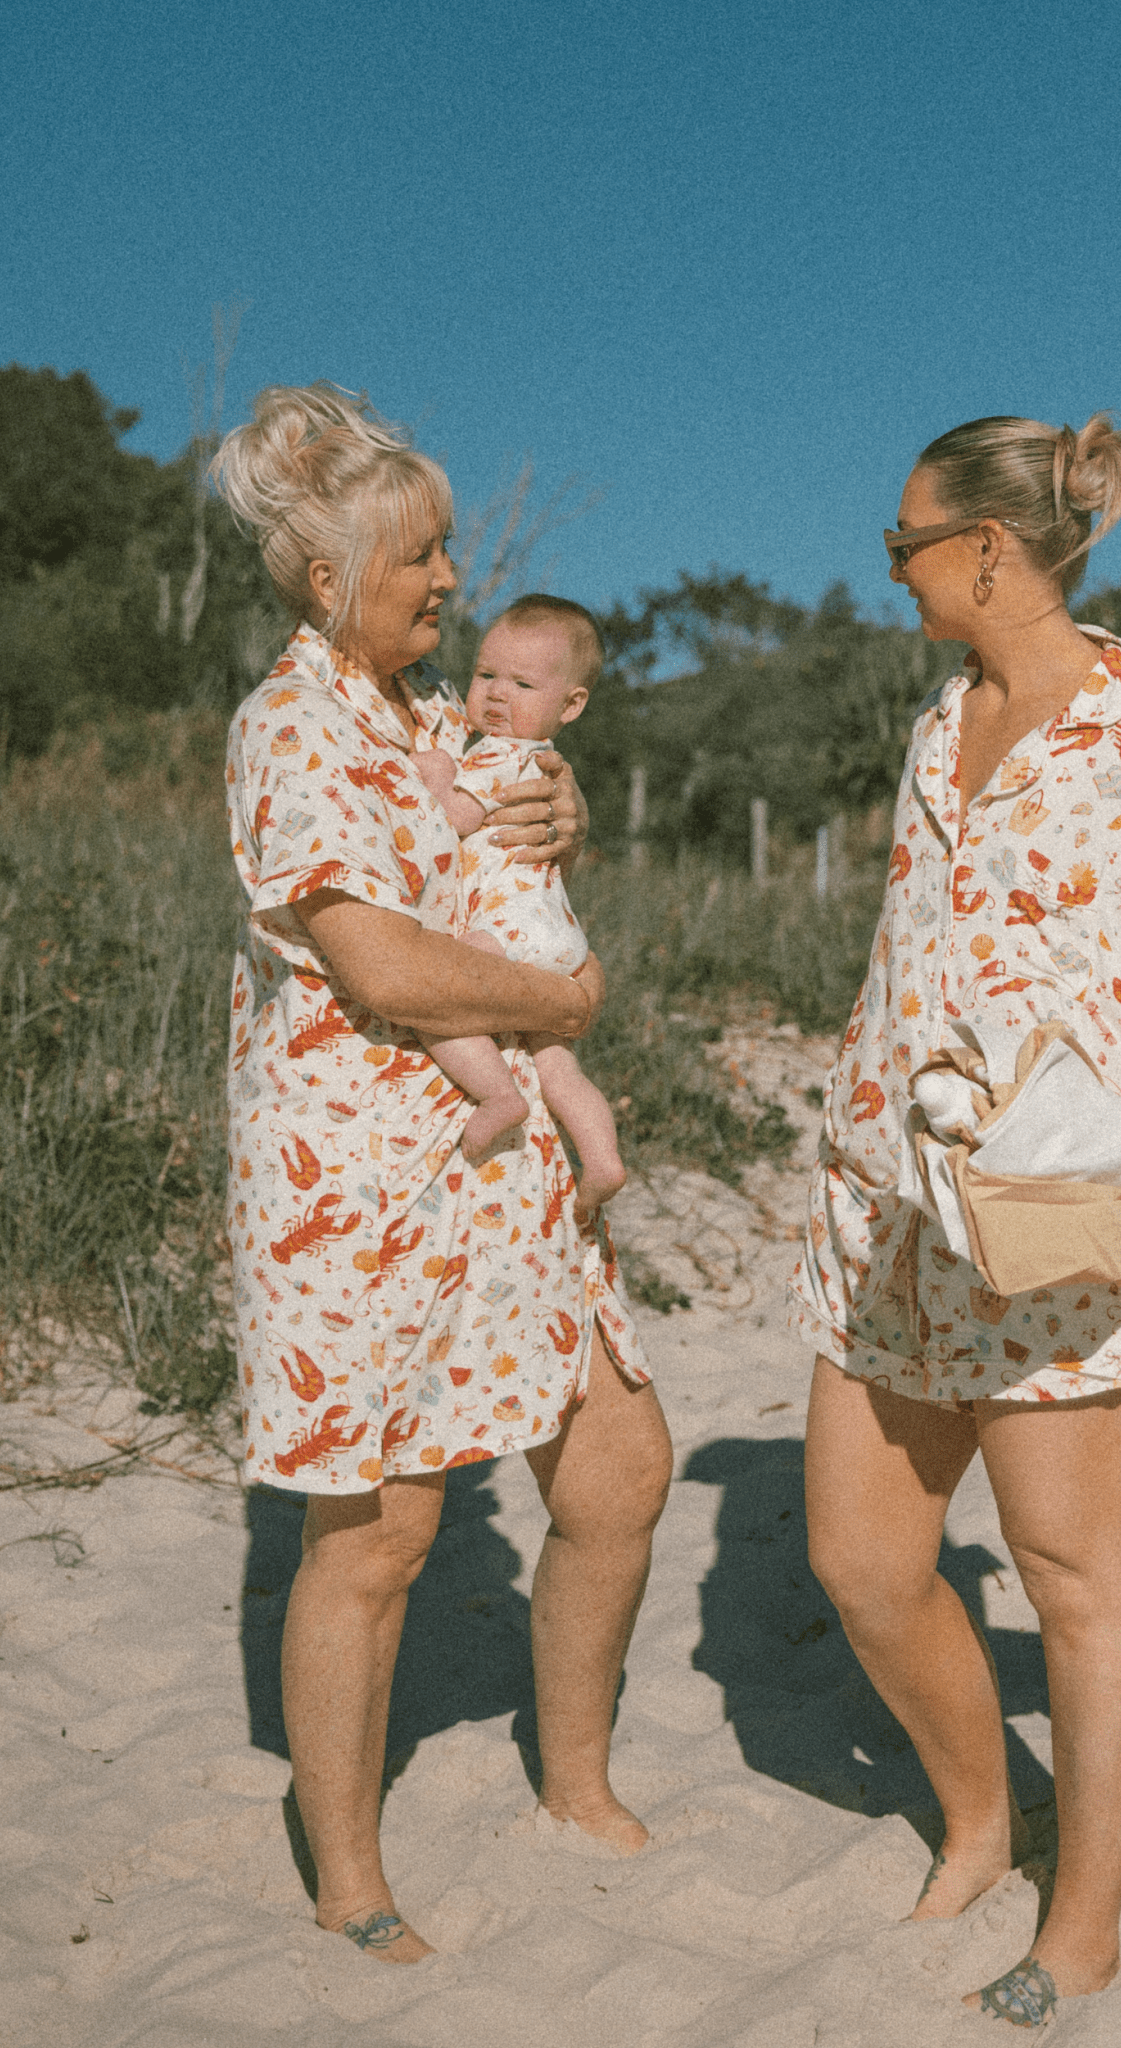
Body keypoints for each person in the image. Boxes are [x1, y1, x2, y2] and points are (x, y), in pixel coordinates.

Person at [788, 414, 1121, 2028]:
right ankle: (982, 1809)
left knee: (1072, 1569)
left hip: (1064, 1207)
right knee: (861, 1562)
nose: (891, 566)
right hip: (889, 1201)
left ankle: (1084, 1919)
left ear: (985, 550)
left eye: (902, 541)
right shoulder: (940, 724)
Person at [214, 384, 672, 1964]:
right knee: (380, 1540)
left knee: (618, 1472)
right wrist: (557, 1009)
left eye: (444, 552)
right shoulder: (291, 726)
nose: (446, 582)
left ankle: (576, 1776)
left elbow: (498, 855)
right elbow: (386, 965)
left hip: (503, 1173)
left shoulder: (425, 721)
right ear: (332, 574)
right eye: (417, 558)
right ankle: (348, 1875)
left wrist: (560, 812)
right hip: (368, 1190)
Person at [411, 595, 627, 1218]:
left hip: (509, 931)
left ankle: (497, 1094)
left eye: (523, 683)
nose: (498, 694)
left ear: (572, 705)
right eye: (486, 676)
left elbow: (453, 817)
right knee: (558, 1065)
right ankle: (603, 1157)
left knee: (441, 998)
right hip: (556, 934)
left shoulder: (499, 756)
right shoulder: (548, 762)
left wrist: (431, 775)